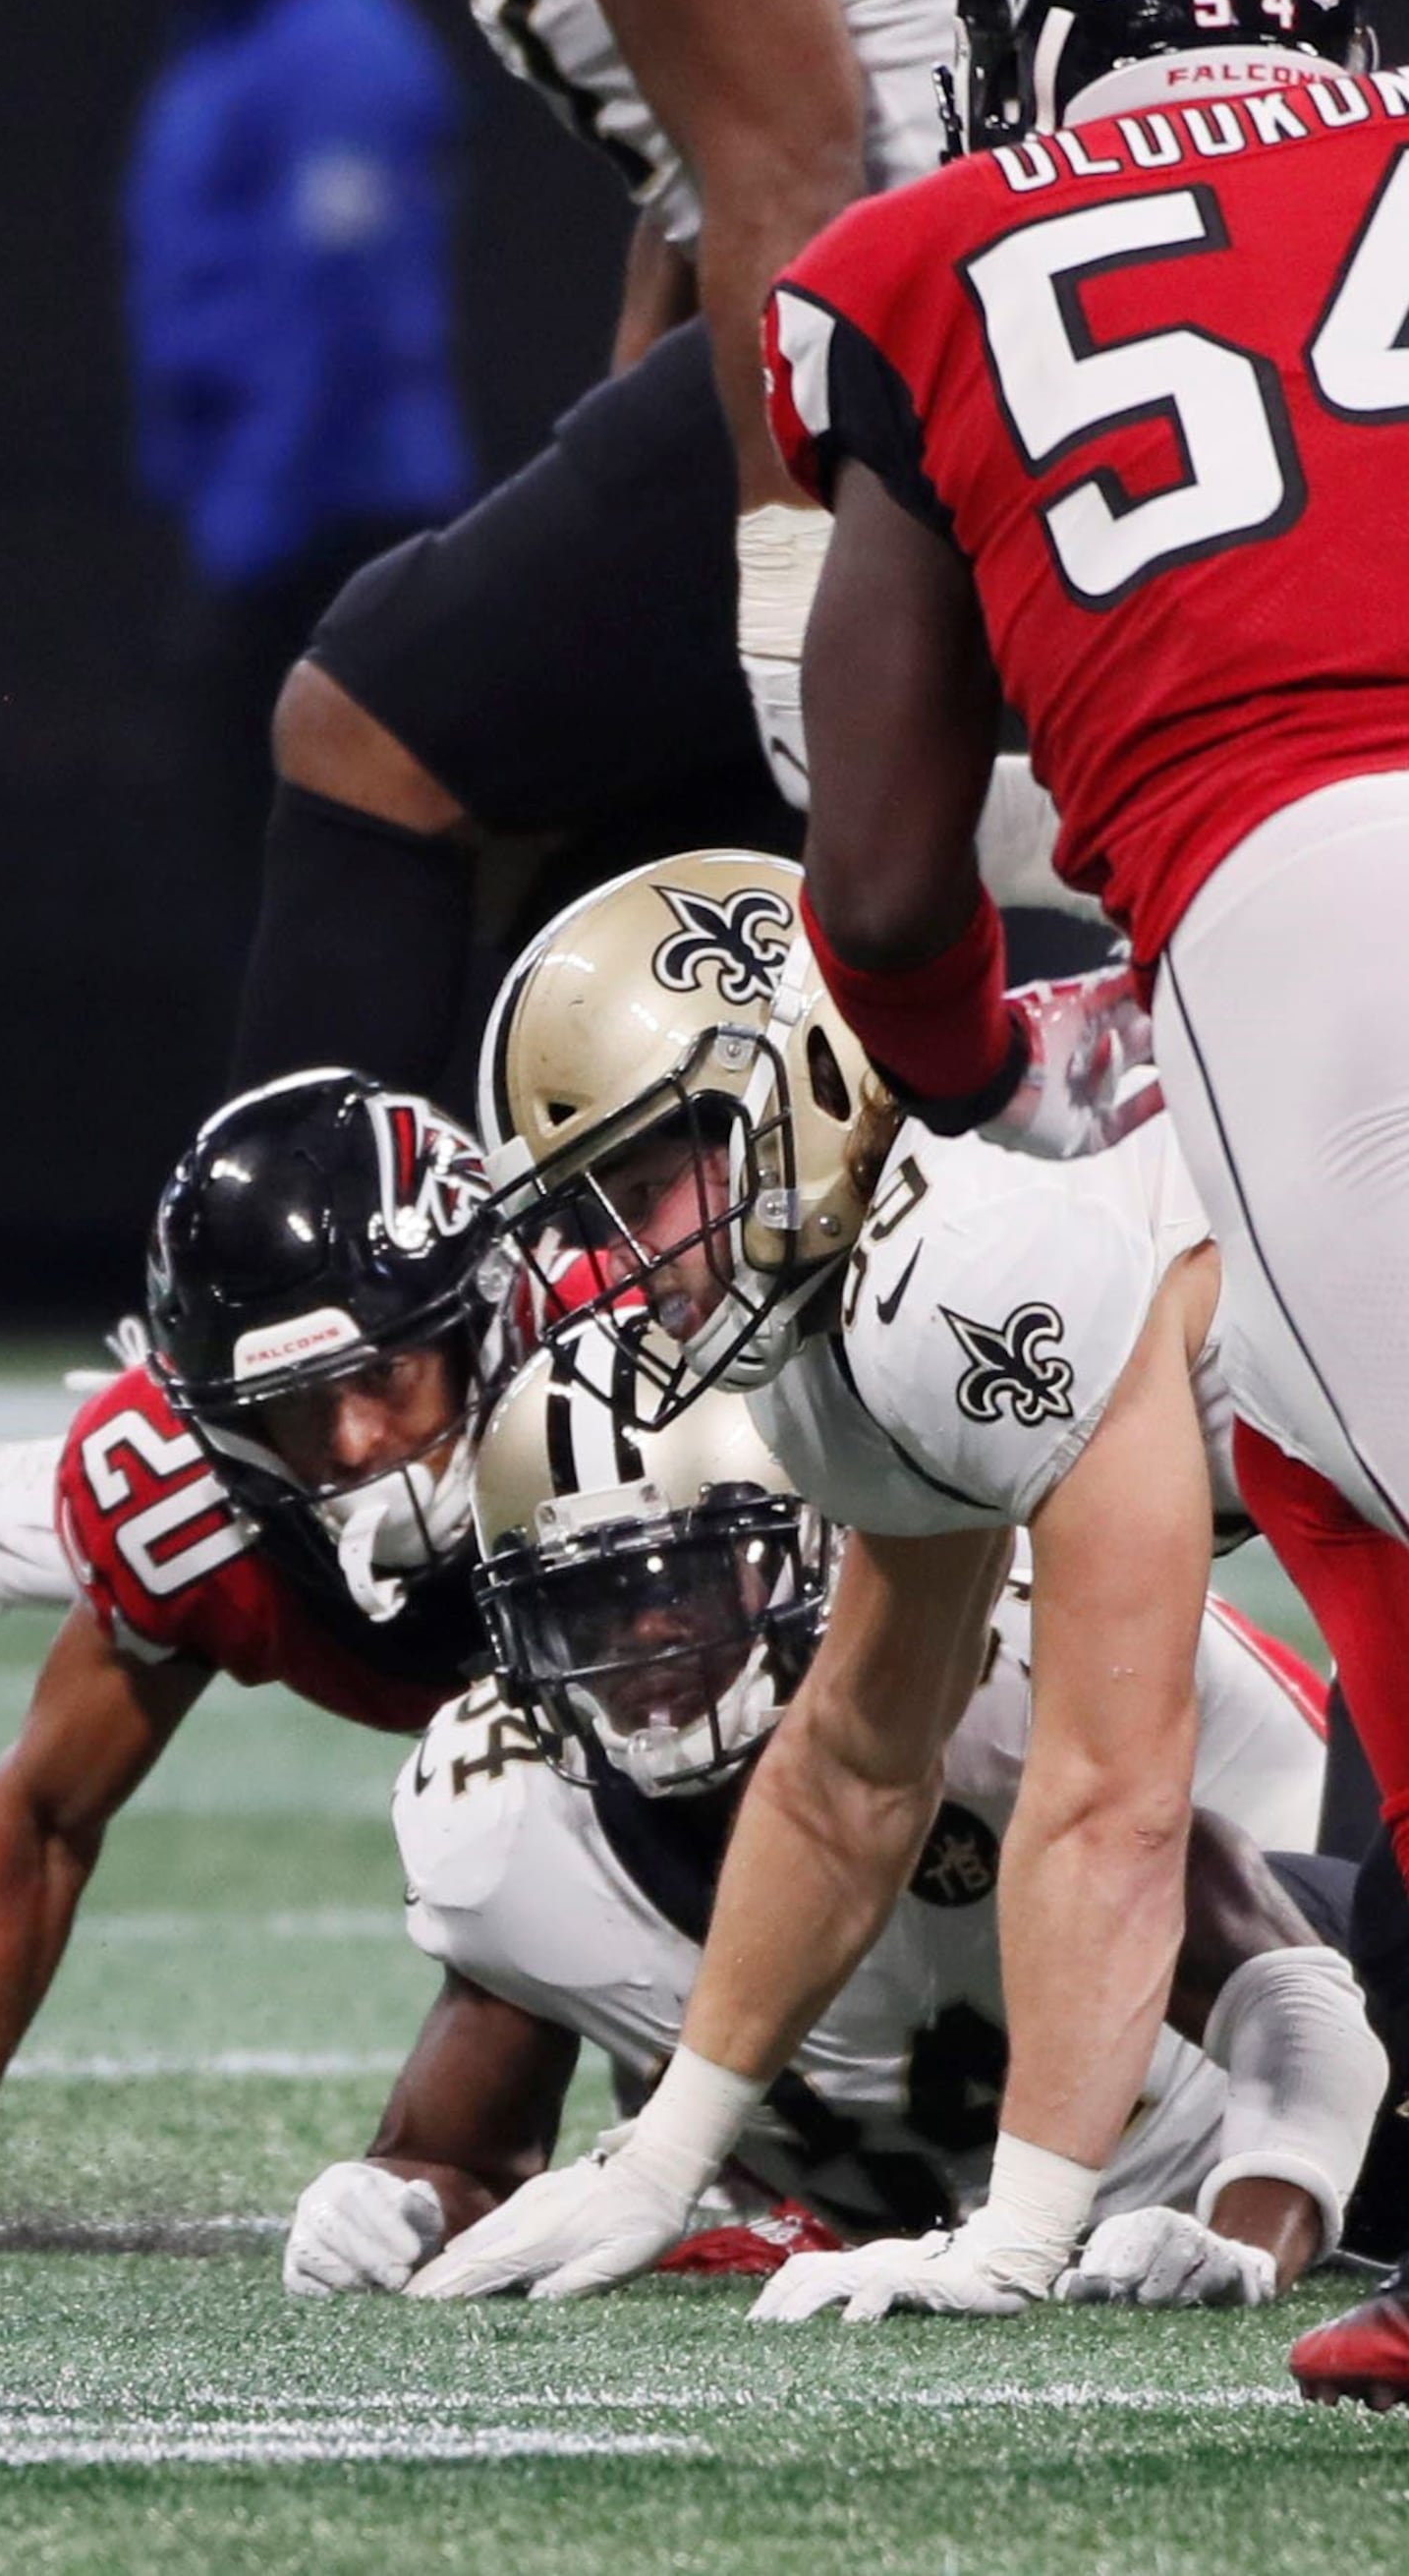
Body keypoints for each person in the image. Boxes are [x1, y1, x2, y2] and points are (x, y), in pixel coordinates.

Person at [763, 0, 1409, 2398]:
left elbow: (892, 868)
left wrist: (968, 1072)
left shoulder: (920, 268)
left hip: (1308, 883)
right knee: (1358, 1519)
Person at [400, 847, 1269, 2323]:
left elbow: (1113, 1784)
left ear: (794, 1078)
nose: (623, 1250)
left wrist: (1021, 2231)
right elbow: (857, 1758)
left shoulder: (980, 1241)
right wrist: (664, 2151)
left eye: (648, 1174)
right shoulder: (840, 1310)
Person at [232, 0, 1058, 1110]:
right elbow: (713, 143)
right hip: (957, 274)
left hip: (907, 285)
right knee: (622, 851)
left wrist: (789, 601)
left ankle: (304, 1293)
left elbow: (790, 155)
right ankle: (688, 1289)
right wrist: (630, 486)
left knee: (367, 730)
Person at [289, 1349, 1386, 2310]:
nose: (647, 1638)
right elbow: (458, 2157)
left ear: (808, 1560)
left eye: (695, 1581)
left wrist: (1249, 2228)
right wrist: (388, 2200)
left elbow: (1294, 1992)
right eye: (591, 1602)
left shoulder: (980, 1675)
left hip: (1289, 2079)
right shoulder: (507, 1822)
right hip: (923, 2217)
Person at [0, 1071, 515, 2247]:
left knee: (546, 1796)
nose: (356, 1442)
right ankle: (76, 1500)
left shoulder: (613, 1404)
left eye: (383, 1374)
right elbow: (44, 1818)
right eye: (298, 1405)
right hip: (264, 1540)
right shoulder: (193, 1500)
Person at [116, 0, 474, 740]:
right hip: (244, 507)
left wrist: (247, 537)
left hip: (335, 528)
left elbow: (338, 322)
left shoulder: (343, 51)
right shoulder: (221, 40)